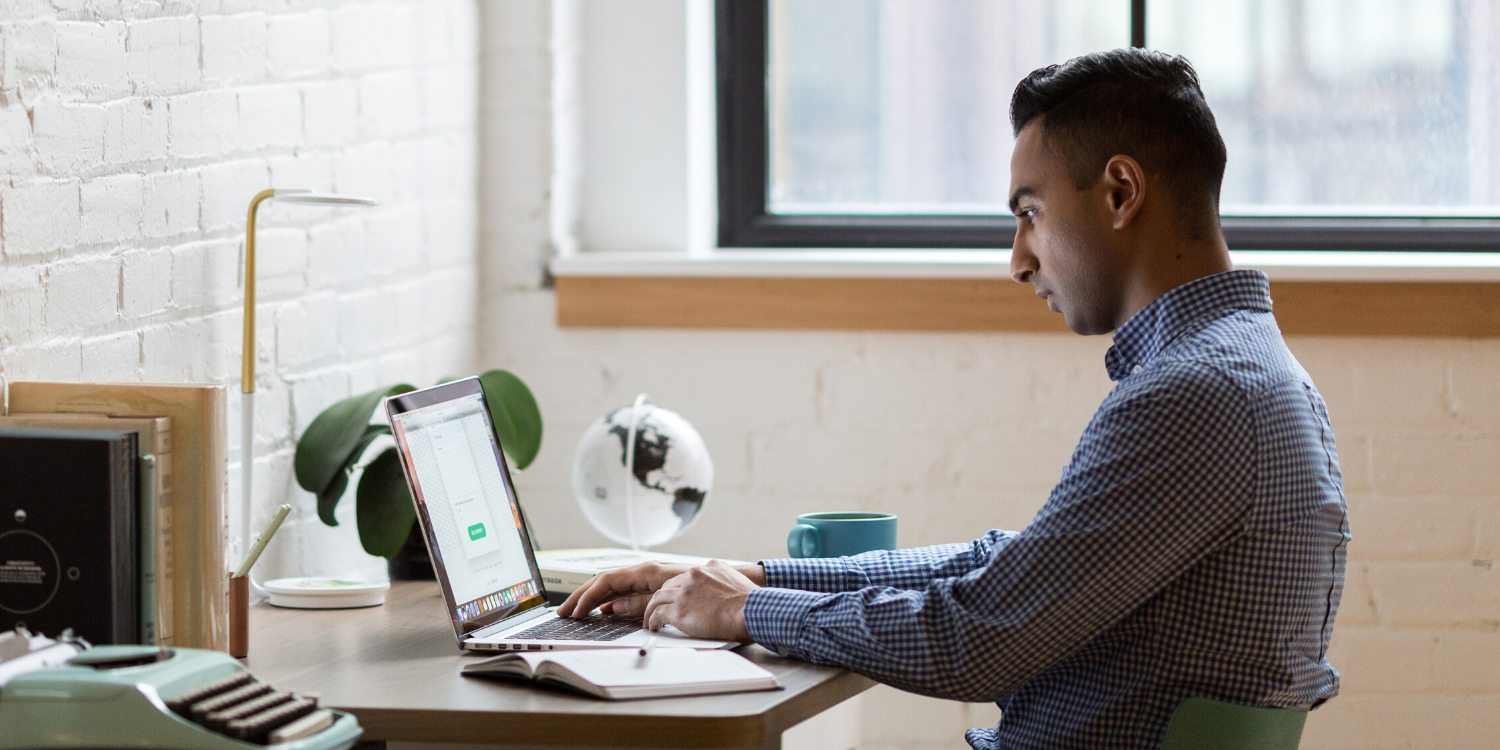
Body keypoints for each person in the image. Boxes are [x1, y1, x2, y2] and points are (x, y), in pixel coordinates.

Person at [559, 48, 1350, 750]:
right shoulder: (1246, 374)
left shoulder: (1195, 395)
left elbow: (979, 639)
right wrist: (755, 577)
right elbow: (1007, 567)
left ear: (1119, 192)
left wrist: (745, 615)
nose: (1017, 260)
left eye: (1030, 214)